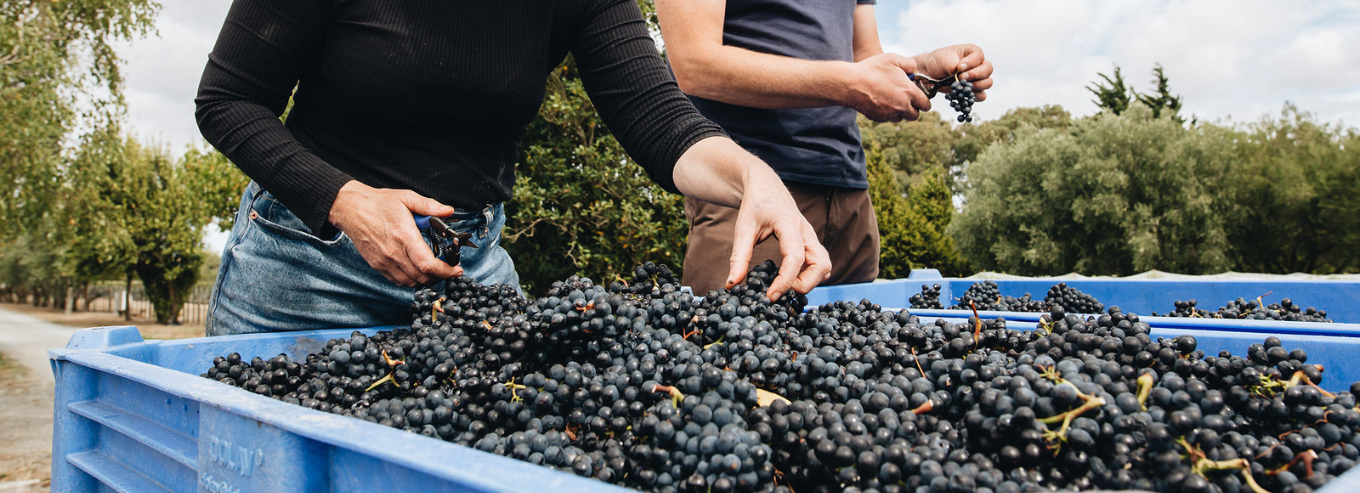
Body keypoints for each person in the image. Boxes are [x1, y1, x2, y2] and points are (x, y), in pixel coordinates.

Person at [195, 0, 830, 336]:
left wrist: (753, 176)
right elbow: (227, 99)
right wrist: (346, 201)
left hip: (468, 270)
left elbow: (656, 115)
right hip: (307, 265)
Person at [656, 0, 994, 294]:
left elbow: (865, 62)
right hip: (749, 198)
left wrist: (922, 70)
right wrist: (851, 84)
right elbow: (695, 64)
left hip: (850, 197)